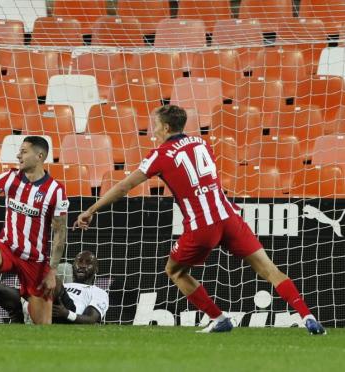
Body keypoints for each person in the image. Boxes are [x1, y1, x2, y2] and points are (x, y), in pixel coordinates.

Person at [74, 105, 326, 335]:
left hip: (202, 224)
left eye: (156, 126)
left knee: (174, 270)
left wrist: (92, 209)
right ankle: (308, 317)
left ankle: (218, 318)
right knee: (269, 269)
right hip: (228, 215)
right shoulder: (200, 142)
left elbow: (123, 187)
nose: (153, 131)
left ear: (166, 127)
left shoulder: (160, 154)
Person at [0, 136, 69, 325]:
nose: (18, 155)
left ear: (39, 156)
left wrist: (52, 271)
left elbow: (60, 233)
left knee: (43, 327)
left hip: (35, 261)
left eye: (24, 151)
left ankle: (27, 308)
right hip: (7, 248)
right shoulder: (9, 177)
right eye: (19, 151)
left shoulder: (56, 190)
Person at [0, 250, 108, 324]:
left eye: (88, 263)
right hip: (38, 303)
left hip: (63, 311)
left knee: (50, 276)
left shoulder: (98, 292)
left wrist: (67, 314)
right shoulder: (67, 282)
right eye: (79, 261)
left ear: (96, 269)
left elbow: (92, 319)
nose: (82, 266)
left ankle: (27, 313)